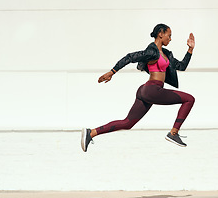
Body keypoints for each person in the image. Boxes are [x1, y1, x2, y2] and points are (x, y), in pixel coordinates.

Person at [81, 24, 195, 152]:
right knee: (189, 99)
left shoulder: (166, 54)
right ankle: (173, 133)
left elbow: (181, 66)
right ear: (160, 34)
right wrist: (112, 72)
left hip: (146, 91)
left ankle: (91, 133)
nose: (170, 39)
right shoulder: (152, 51)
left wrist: (190, 49)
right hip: (153, 90)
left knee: (128, 123)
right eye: (169, 36)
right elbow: (130, 57)